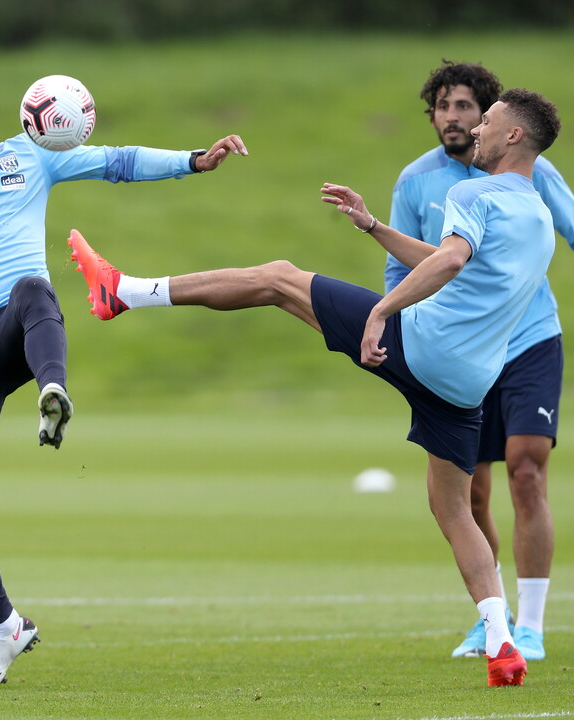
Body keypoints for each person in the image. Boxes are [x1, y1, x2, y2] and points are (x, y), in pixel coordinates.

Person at [68, 87, 562, 688]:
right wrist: (374, 226)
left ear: (513, 136)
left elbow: (452, 261)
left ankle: (123, 292)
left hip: (422, 345)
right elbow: (447, 256)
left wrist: (381, 312)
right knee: (451, 506)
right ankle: (503, 644)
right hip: (468, 386)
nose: (475, 129)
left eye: (487, 121)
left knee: (279, 279)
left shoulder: (471, 189)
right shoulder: (535, 214)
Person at [0, 23, 247, 690]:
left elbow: (118, 160)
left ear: (3, 116)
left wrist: (194, 158)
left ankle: (52, 391)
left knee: (33, 287)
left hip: (19, 326)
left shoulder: (32, 156)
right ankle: (5, 626)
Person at [387, 61, 574, 661]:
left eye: (467, 106)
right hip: (462, 348)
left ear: (492, 119)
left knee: (526, 468)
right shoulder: (416, 181)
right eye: (442, 106)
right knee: (471, 493)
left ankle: (534, 626)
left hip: (528, 339)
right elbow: (409, 268)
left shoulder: (531, 172)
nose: (454, 117)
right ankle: (490, 617)